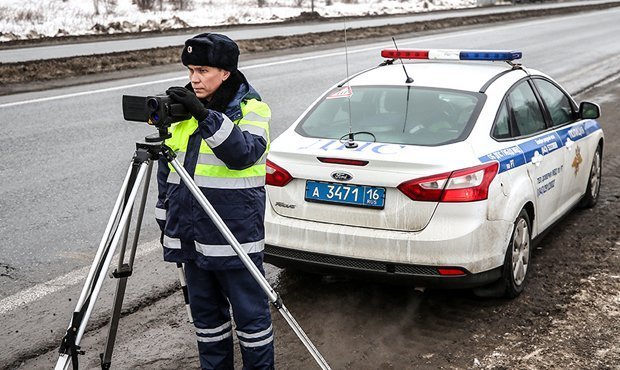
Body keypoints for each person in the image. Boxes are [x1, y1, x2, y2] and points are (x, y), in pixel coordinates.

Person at [155, 33, 274, 369]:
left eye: (202, 70)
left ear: (225, 72)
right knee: (208, 327)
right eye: (191, 69)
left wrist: (204, 115)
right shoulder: (182, 113)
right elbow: (167, 178)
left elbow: (243, 154)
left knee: (252, 325)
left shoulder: (251, 109)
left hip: (234, 239)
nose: (194, 78)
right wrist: (168, 227)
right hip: (192, 239)